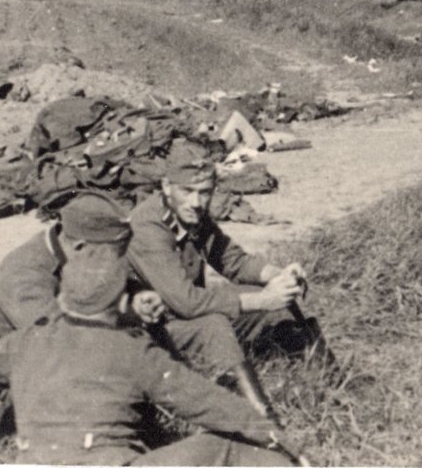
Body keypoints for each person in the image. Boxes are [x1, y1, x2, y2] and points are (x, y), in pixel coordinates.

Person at [0, 226, 308, 466]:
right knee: (229, 451)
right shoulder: (133, 352)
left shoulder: (23, 342)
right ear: (118, 302)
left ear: (64, 295)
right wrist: (276, 437)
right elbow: (207, 404)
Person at [0, 192, 165, 458]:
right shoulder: (26, 277)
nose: (117, 263)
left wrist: (134, 297)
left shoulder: (74, 253)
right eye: (115, 254)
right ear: (80, 247)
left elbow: (97, 290)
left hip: (39, 379)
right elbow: (68, 343)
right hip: (2, 405)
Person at [127, 140, 329, 424]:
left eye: (205, 192)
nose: (196, 203)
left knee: (275, 301)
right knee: (214, 326)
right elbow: (186, 302)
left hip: (180, 320)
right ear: (166, 186)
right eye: (187, 191)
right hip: (147, 333)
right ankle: (260, 421)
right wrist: (261, 300)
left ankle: (329, 378)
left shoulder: (190, 214)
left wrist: (277, 275)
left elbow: (233, 261)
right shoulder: (148, 226)